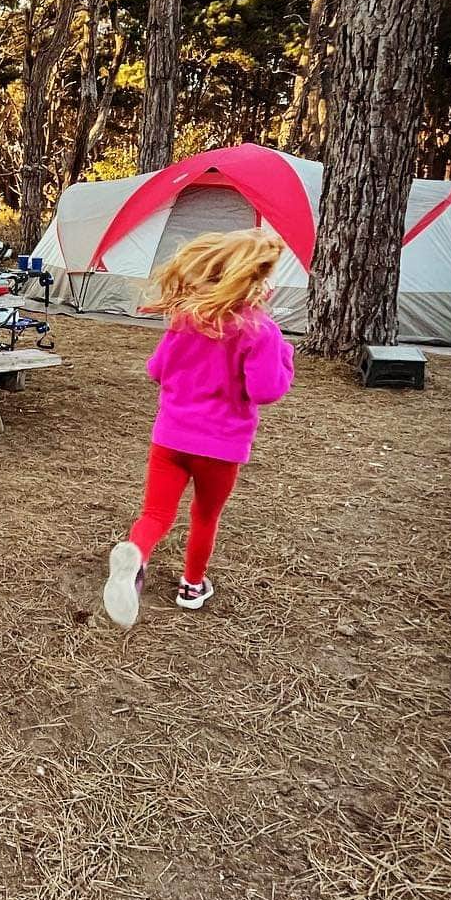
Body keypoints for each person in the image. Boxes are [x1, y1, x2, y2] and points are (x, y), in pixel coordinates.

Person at [102, 228, 295, 629]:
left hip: (170, 438)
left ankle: (136, 554)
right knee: (205, 515)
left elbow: (155, 370)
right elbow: (265, 390)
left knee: (155, 513)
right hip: (221, 448)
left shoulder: (185, 320)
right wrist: (285, 358)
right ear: (255, 280)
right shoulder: (261, 331)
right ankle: (192, 586)